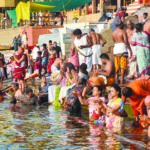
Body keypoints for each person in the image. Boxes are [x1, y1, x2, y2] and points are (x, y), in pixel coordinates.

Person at [112, 19, 132, 84]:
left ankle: (116, 78)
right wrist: (130, 49)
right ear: (120, 24)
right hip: (122, 47)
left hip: (116, 48)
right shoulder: (123, 31)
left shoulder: (113, 32)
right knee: (123, 65)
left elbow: (114, 41)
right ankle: (122, 79)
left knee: (117, 65)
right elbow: (126, 41)